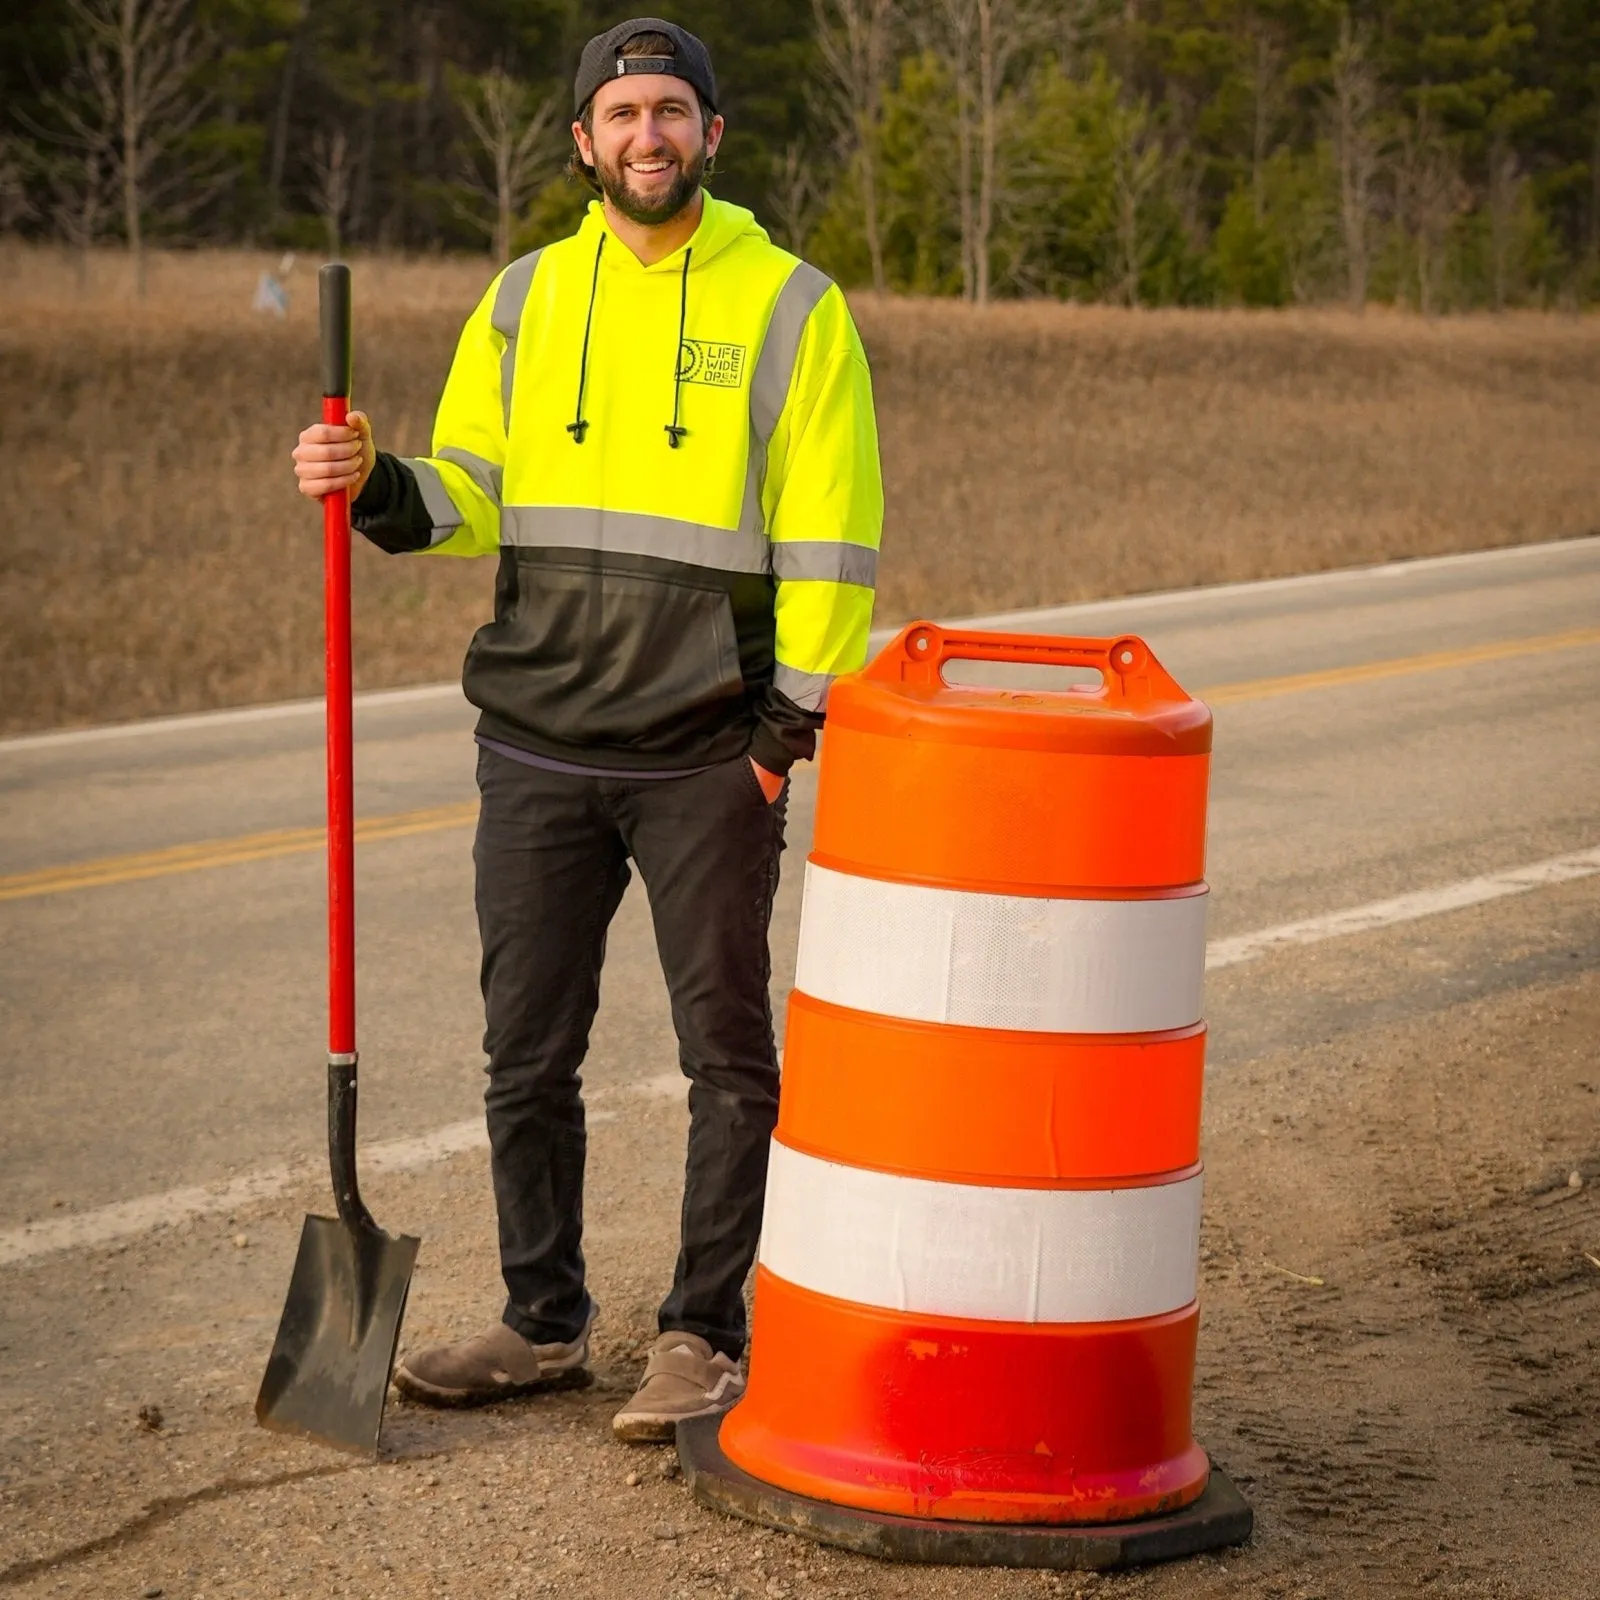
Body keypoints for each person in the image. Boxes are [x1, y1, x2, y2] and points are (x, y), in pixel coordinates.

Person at [290, 17, 883, 1442]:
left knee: (725, 1058)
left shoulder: (794, 307)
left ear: (712, 136)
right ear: (584, 142)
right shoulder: (525, 300)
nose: (648, 137)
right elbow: (470, 493)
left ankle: (702, 1331)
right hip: (540, 739)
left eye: (672, 111)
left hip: (702, 753)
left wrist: (778, 733)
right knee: (524, 1051)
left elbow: (834, 540)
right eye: (621, 115)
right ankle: (542, 1321)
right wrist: (372, 480)